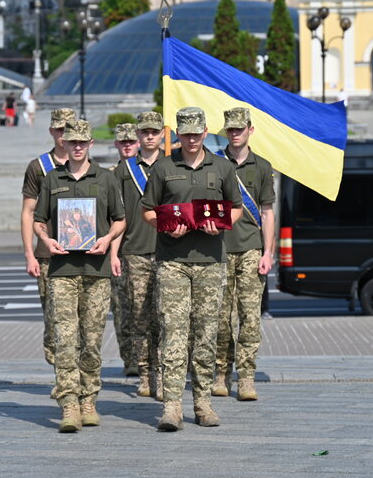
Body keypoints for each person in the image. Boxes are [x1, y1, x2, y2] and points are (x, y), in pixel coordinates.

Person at [140, 107, 242, 431]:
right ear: (178, 134)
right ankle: (171, 407)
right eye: (186, 134)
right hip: (172, 263)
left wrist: (221, 225)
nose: (192, 138)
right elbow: (147, 212)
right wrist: (166, 227)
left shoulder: (223, 167)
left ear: (205, 131)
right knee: (173, 332)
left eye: (197, 133)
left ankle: (202, 404)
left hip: (211, 262)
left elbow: (236, 208)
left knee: (206, 335)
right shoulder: (163, 167)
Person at [34, 119, 126, 433]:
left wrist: (107, 240)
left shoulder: (105, 178)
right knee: (64, 339)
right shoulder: (51, 179)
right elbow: (38, 220)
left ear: (90, 145)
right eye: (71, 142)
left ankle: (89, 399)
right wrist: (46, 241)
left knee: (91, 340)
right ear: (64, 143)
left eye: (82, 143)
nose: (76, 147)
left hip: (96, 271)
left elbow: (120, 220)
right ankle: (69, 403)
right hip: (62, 271)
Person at [212, 107, 276, 402]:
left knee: (249, 317)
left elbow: (267, 213)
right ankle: (221, 373)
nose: (235, 133)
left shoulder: (262, 167)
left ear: (250, 130)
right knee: (220, 318)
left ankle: (246, 377)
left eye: (240, 128)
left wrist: (268, 252)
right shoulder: (212, 165)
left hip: (251, 249)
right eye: (231, 129)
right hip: (218, 250)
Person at [20, 108, 74, 397]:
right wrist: (29, 254)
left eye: (68, 129)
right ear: (52, 132)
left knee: (80, 320)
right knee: (54, 319)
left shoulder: (87, 165)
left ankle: (75, 378)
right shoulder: (39, 167)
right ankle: (61, 375)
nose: (64, 136)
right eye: (59, 130)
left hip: (82, 254)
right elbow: (28, 211)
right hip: (48, 256)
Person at [111, 113, 165, 398]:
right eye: (144, 132)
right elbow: (116, 216)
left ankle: (163, 372)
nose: (149, 137)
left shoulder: (173, 165)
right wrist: (114, 253)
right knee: (140, 317)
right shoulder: (123, 171)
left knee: (165, 318)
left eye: (154, 132)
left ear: (162, 135)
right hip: (135, 251)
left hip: (169, 252)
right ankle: (145, 373)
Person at [108, 124, 141, 376]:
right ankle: (129, 358)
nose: (127, 145)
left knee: (147, 309)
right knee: (122, 308)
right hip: (119, 251)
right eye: (122, 142)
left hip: (145, 248)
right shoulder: (110, 175)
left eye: (131, 141)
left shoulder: (149, 172)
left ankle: (147, 358)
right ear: (116, 144)